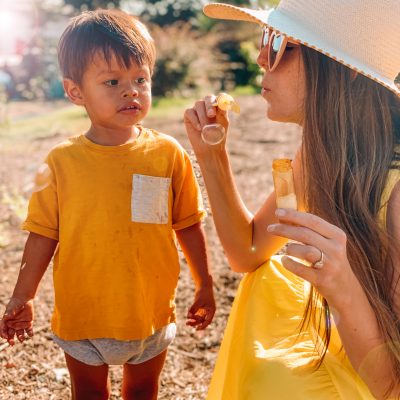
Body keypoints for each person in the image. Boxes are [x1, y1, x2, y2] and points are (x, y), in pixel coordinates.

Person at [184, 1, 400, 399]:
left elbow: (391, 384)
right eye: (266, 38)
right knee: (268, 277)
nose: (261, 56)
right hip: (348, 343)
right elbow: (248, 251)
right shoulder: (322, 154)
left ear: (346, 68)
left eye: (282, 43)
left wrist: (344, 287)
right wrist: (211, 155)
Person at [0, 9, 215, 400]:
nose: (131, 91)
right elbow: (42, 235)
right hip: (84, 317)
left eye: (140, 79)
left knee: (143, 391)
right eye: (112, 81)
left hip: (149, 313)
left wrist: (205, 283)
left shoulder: (167, 154)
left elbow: (187, 224)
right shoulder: (61, 162)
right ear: (75, 91)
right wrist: (23, 296)